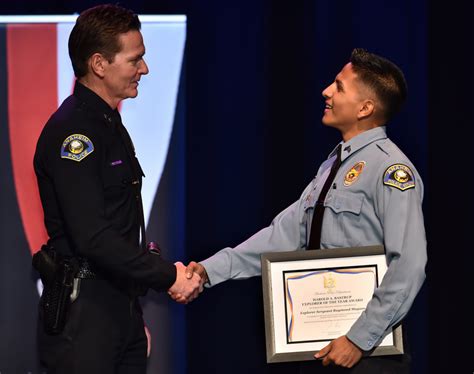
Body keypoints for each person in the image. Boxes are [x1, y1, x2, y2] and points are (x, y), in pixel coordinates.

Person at [175, 48, 427, 373]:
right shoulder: (332, 167)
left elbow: (409, 263)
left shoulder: (391, 169)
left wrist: (359, 339)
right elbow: (282, 235)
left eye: (339, 86)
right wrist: (208, 271)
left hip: (369, 356)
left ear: (365, 107)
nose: (326, 91)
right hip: (321, 348)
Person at [33, 4, 201, 373]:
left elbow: (120, 228)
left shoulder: (109, 125)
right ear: (99, 64)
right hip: (85, 317)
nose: (144, 69)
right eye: (135, 59)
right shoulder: (74, 133)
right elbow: (93, 237)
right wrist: (168, 276)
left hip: (116, 308)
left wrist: (128, 315)